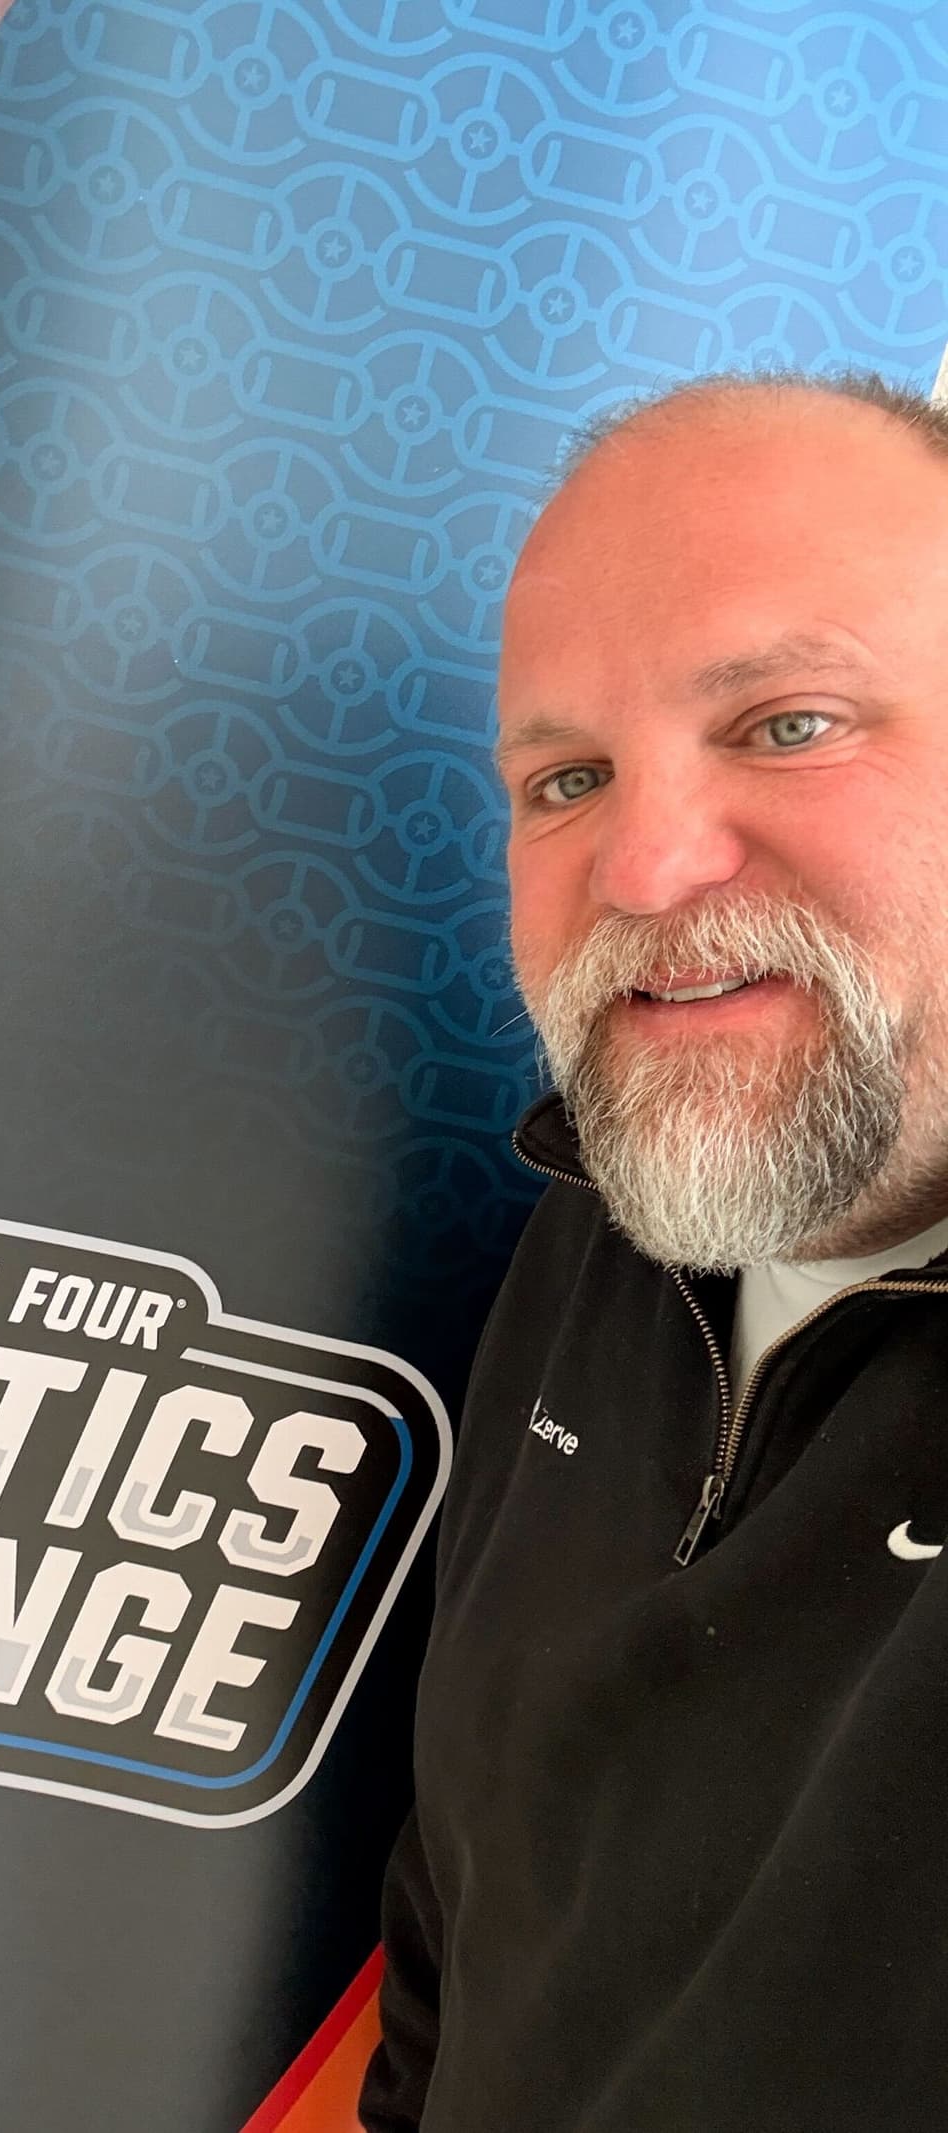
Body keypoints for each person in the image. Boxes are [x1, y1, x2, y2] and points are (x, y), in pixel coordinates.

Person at [360, 369, 948, 2133]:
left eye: (788, 723)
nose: (643, 862)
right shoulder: (606, 1218)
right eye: (565, 777)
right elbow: (459, 1934)